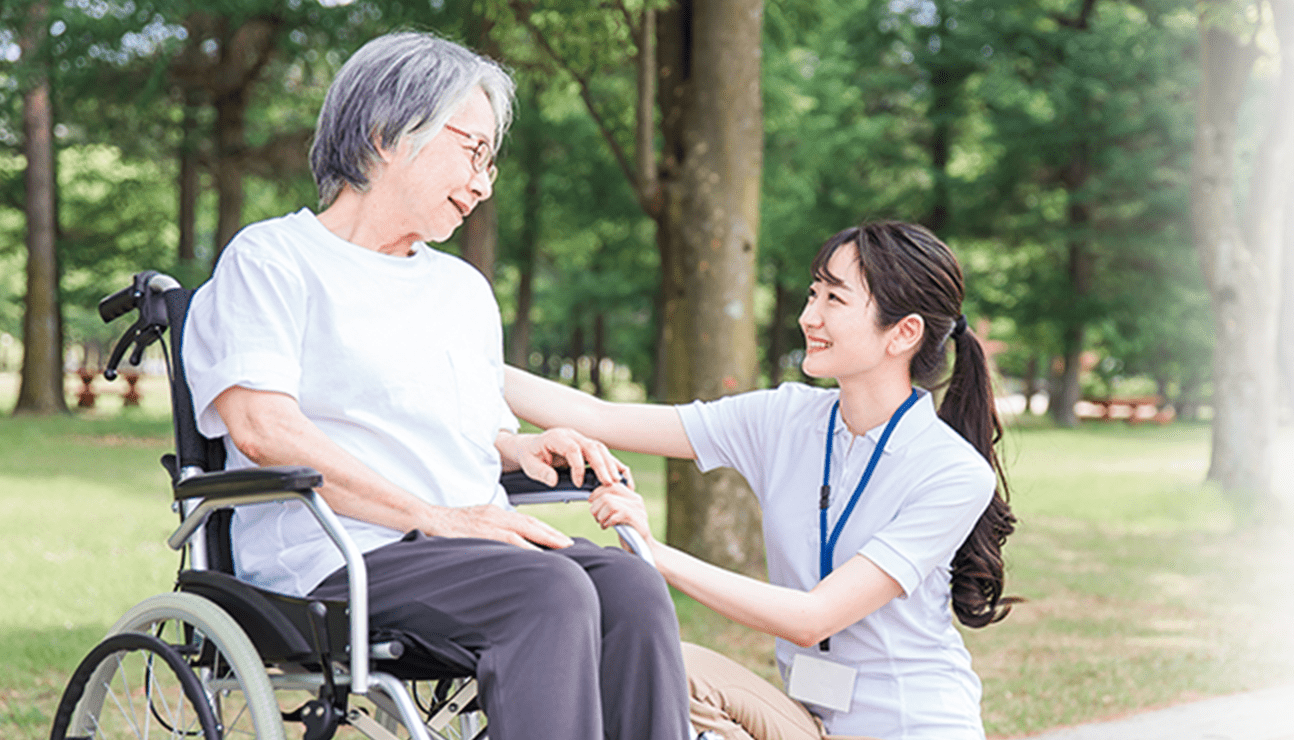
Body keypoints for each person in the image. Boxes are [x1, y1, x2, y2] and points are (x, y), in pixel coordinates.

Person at [182, 31, 690, 740]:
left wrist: (527, 448)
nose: (484, 182)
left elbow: (472, 428)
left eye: (491, 160)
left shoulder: (461, 289)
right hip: (340, 556)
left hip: (469, 547)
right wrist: (436, 516)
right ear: (388, 134)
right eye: (472, 150)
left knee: (631, 588)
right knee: (549, 588)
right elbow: (263, 430)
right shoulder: (273, 260)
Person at [506, 221, 1018, 740]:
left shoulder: (953, 472)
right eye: (813, 293)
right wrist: (458, 361)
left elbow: (813, 618)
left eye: (835, 299)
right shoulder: (785, 418)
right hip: (810, 723)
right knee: (662, 666)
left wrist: (655, 553)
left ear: (903, 333)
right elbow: (601, 419)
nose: (808, 316)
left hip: (912, 729)